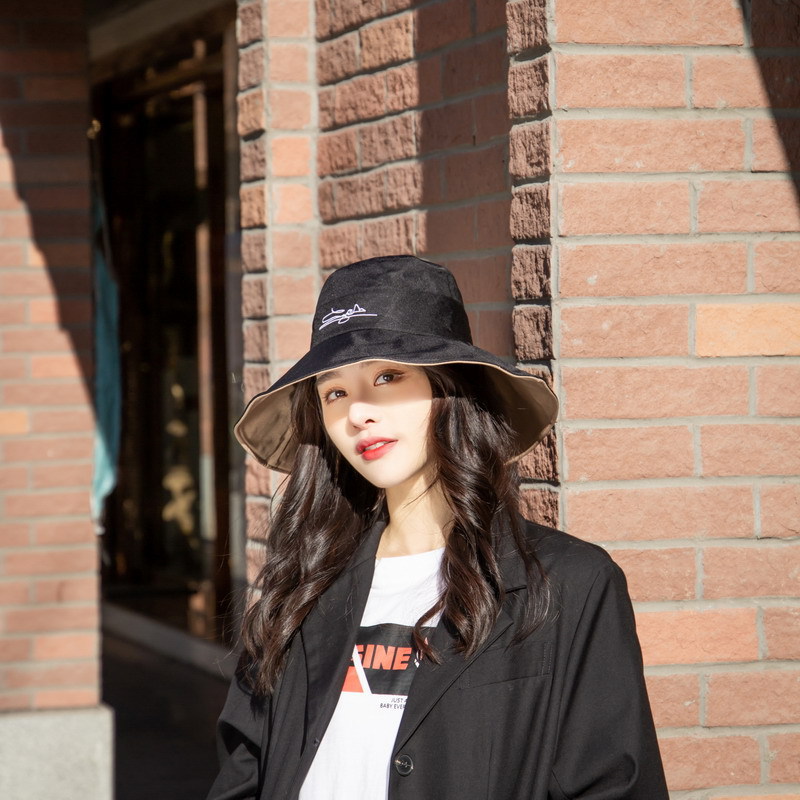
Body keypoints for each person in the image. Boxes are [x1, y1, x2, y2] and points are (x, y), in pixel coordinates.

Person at [207, 255, 668, 800]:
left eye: (387, 377)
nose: (358, 414)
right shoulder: (303, 587)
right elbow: (243, 774)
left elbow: (612, 784)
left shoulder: (568, 584)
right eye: (335, 392)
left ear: (450, 387)